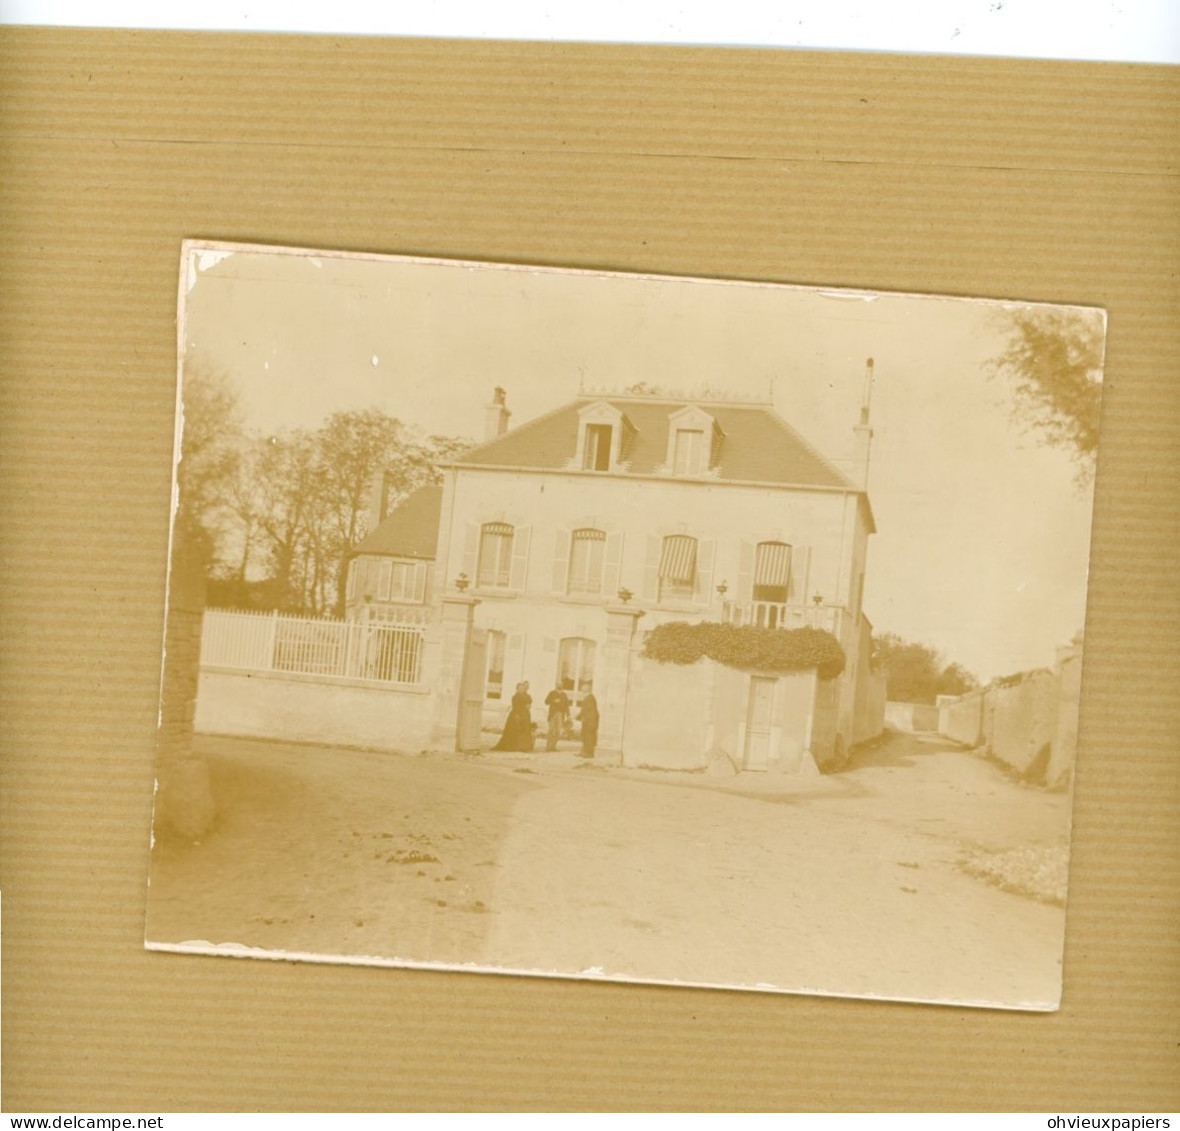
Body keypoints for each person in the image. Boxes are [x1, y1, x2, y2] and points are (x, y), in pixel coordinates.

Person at [493, 681, 534, 751]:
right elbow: (516, 706)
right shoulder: (515, 697)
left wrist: (528, 705)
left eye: (523, 688)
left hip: (525, 715)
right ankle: (512, 746)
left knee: (525, 730)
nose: (522, 689)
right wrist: (517, 715)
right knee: (514, 730)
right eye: (520, 688)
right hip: (516, 714)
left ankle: (524, 747)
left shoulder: (528, 696)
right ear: (517, 689)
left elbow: (529, 702)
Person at [544, 683, 571, 752]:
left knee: (558, 731)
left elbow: (567, 706)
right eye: (559, 685)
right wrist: (553, 701)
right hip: (553, 714)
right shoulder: (552, 693)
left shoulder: (564, 695)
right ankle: (548, 747)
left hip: (561, 715)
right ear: (556, 686)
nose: (560, 686)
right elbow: (546, 701)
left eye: (561, 685)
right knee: (551, 730)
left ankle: (553, 746)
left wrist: (568, 715)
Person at [578, 691, 599, 759]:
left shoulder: (590, 698)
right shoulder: (588, 697)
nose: (581, 691)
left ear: (587, 690)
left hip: (590, 721)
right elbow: (584, 710)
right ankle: (584, 752)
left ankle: (589, 754)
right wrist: (579, 717)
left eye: (583, 689)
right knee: (585, 736)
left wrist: (587, 719)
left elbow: (590, 710)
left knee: (589, 737)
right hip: (588, 720)